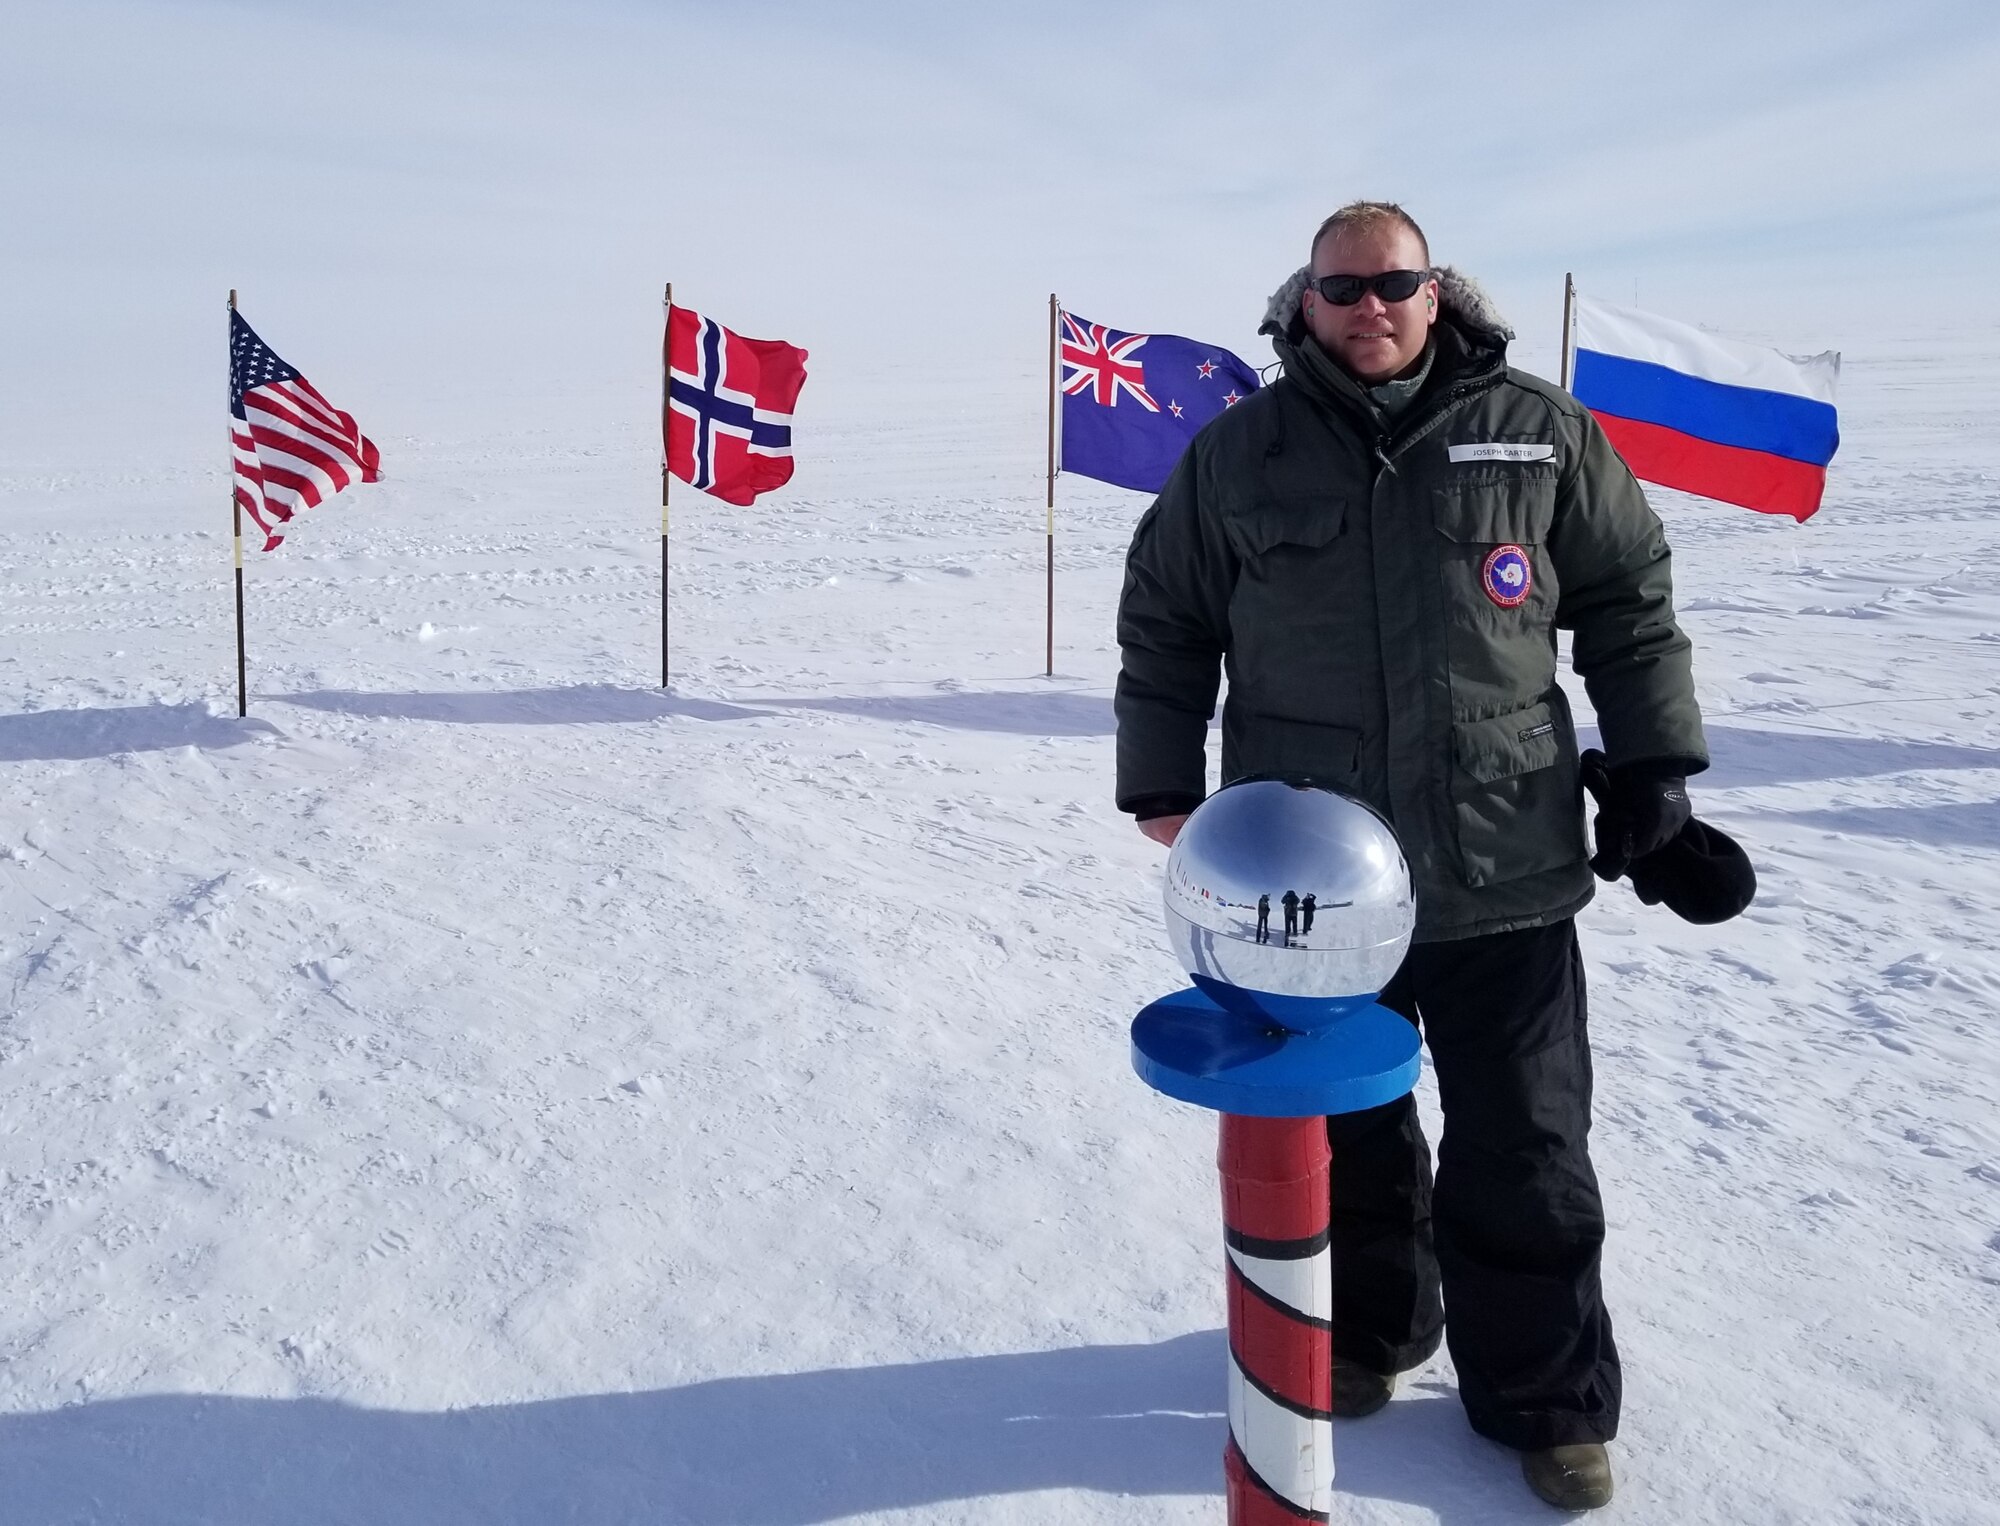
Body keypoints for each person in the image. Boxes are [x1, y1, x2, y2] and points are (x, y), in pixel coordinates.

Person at [1113, 201, 1705, 1512]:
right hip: (1309, 891)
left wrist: (1656, 761)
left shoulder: (1539, 431)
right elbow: (1165, 613)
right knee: (1353, 1136)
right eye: (1342, 287)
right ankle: (1372, 1332)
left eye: (1394, 281)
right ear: (1304, 302)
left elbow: (1627, 593)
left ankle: (1546, 1398)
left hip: (1507, 862)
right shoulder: (1243, 451)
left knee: (1529, 1144)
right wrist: (1160, 776)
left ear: (1437, 292)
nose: (1368, 305)